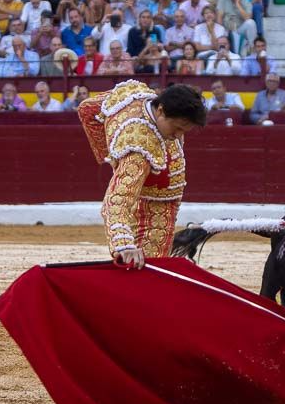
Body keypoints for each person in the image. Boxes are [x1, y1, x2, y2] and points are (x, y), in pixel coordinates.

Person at [78, 82, 206, 268]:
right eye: (177, 128)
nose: (178, 136)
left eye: (184, 131)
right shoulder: (139, 149)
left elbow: (87, 109)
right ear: (161, 110)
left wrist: (109, 154)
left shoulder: (137, 94)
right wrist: (124, 244)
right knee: (149, 272)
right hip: (154, 207)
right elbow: (116, 202)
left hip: (148, 193)